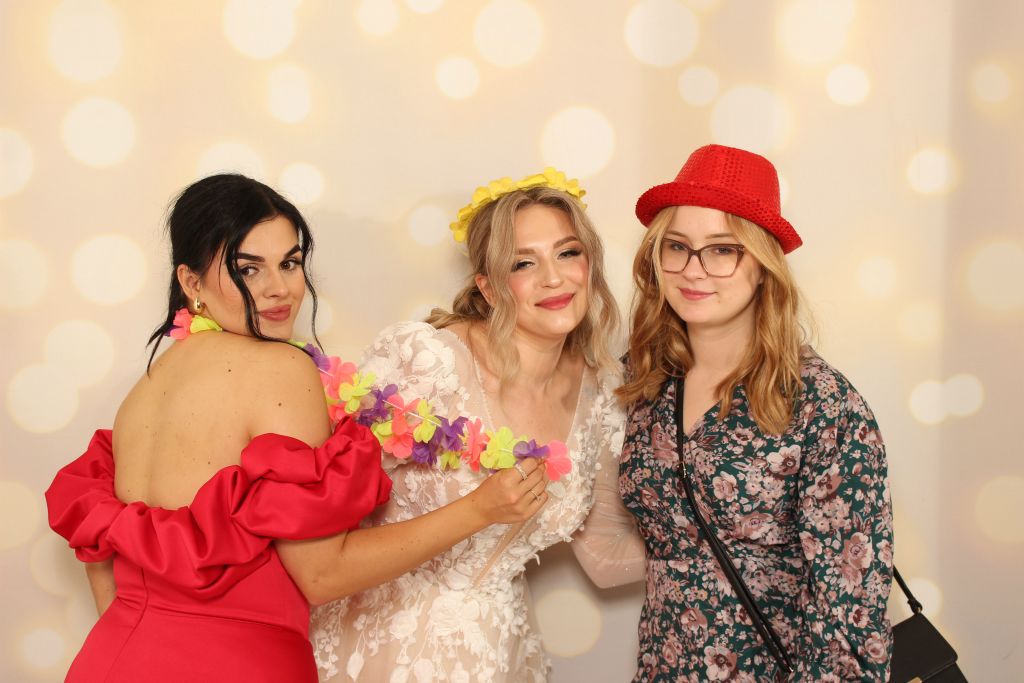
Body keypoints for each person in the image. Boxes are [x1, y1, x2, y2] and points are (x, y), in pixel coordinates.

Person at [45, 174, 546, 682]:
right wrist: (479, 509)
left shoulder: (147, 388)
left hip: (114, 658)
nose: (279, 289)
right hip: (235, 664)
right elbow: (322, 575)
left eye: (289, 262)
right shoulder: (281, 369)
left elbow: (101, 564)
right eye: (248, 268)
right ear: (191, 284)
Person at [310, 169, 645, 682]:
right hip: (380, 647)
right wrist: (477, 510)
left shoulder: (601, 389)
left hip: (496, 653)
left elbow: (603, 552)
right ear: (487, 287)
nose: (553, 278)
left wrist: (733, 549)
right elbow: (322, 551)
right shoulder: (427, 361)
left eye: (567, 253)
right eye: (523, 263)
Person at [617, 145, 894, 681]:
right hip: (663, 667)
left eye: (722, 250)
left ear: (764, 266)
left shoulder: (821, 403)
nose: (694, 270)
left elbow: (850, 607)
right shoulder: (647, 380)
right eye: (678, 246)